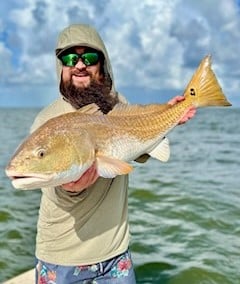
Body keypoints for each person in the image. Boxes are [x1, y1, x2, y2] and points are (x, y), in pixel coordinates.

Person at [31, 24, 196, 284]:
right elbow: (52, 185)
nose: (80, 65)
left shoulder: (118, 105)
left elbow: (138, 146)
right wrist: (72, 187)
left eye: (90, 57)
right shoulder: (48, 121)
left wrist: (169, 115)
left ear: (103, 64)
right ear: (60, 66)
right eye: (70, 58)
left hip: (116, 254)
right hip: (61, 258)